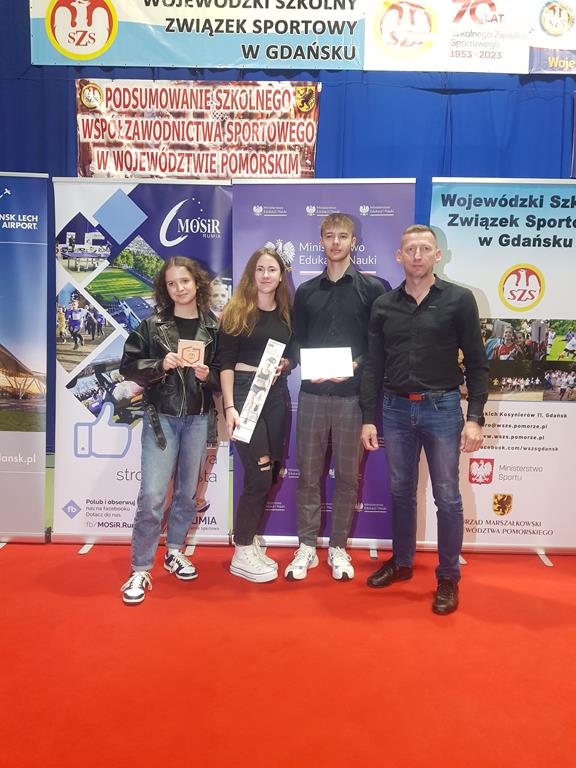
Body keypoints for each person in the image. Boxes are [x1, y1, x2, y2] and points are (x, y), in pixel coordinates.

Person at [360, 224, 488, 615]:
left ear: (437, 255)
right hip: (395, 409)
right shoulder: (383, 305)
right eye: (410, 249)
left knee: (447, 496)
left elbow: (477, 363)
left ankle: (448, 577)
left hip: (442, 408)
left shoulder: (460, 300)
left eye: (425, 248)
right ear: (399, 256)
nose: (417, 255)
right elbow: (373, 365)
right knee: (401, 491)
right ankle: (401, 563)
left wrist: (475, 417)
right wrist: (368, 417)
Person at [285, 212, 388, 582]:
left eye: (342, 236)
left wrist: (355, 365)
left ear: (353, 242)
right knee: (308, 477)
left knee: (347, 478)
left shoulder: (373, 289)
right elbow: (297, 339)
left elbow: (379, 344)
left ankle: (339, 546)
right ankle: (306, 546)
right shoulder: (306, 291)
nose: (335, 242)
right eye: (329, 236)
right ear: (321, 241)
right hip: (312, 394)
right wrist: (295, 361)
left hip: (351, 398)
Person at [118, 256, 220, 605]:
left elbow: (223, 376)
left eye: (185, 281)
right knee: (152, 496)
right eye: (172, 283)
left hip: (198, 419)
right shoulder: (151, 326)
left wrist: (209, 376)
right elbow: (128, 367)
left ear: (197, 283)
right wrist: (159, 364)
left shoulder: (213, 326)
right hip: (160, 419)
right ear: (165, 288)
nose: (179, 288)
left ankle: (175, 551)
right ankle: (140, 568)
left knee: (187, 495)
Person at [219, 247, 294, 583]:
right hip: (243, 394)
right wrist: (229, 407)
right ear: (252, 274)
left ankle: (249, 540)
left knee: (271, 470)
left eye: (272, 269)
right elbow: (225, 364)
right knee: (259, 474)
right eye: (260, 269)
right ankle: (242, 549)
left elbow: (294, 352)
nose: (265, 275)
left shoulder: (286, 314)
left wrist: (286, 363)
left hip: (274, 394)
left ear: (280, 276)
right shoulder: (236, 312)